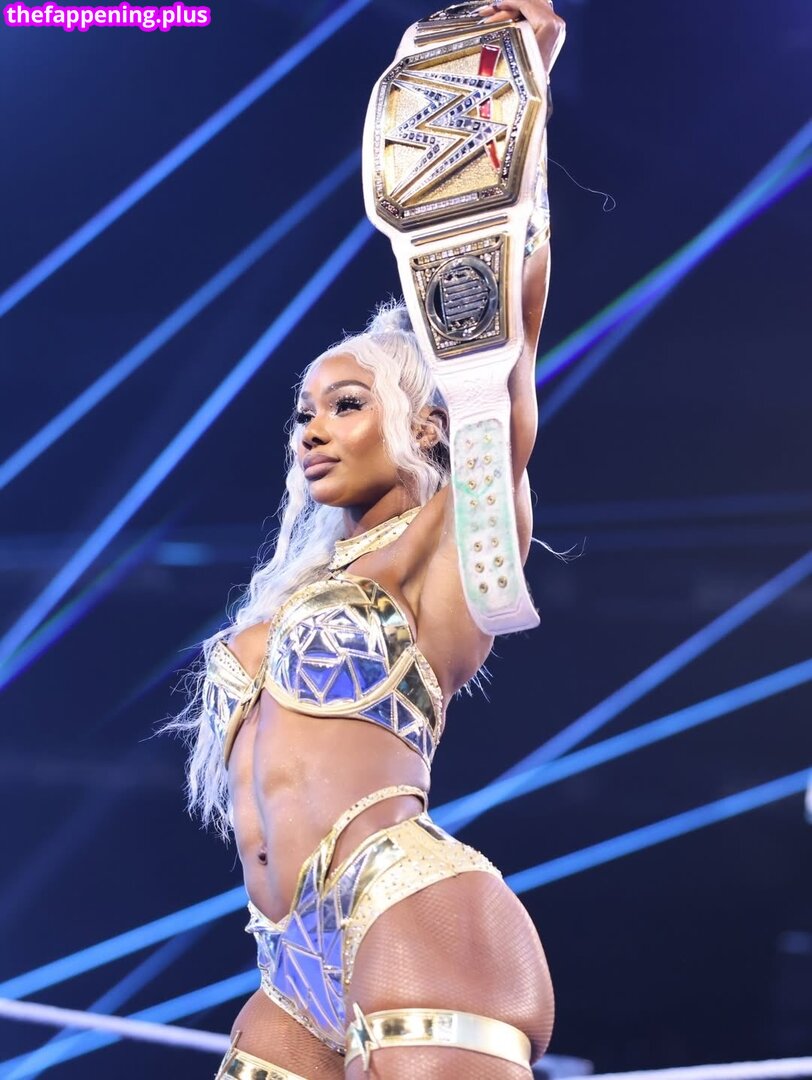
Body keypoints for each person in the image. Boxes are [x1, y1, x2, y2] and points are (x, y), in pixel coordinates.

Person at [173, 2, 566, 1076]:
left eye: (346, 405)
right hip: (283, 962)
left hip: (406, 908)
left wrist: (519, 103)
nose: (312, 428)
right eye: (303, 411)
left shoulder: (440, 541)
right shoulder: (303, 582)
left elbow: (508, 348)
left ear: (424, 426)